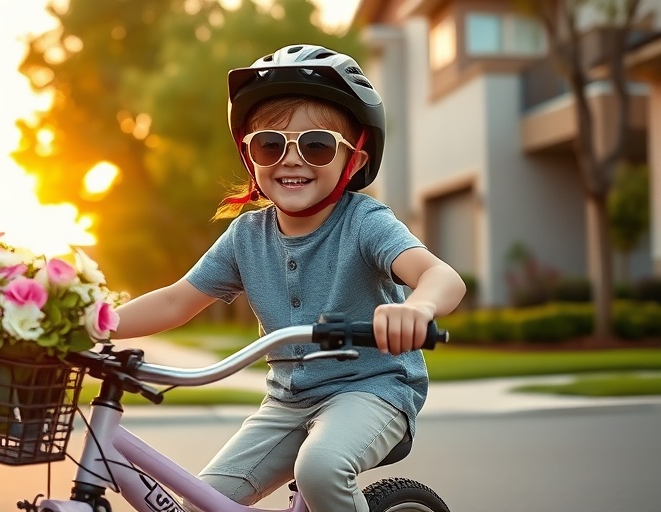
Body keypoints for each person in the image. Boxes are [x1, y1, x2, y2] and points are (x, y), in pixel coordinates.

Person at [111, 44, 466, 512]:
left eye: (316, 145)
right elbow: (176, 301)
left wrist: (417, 307)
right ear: (249, 156)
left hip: (371, 391)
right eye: (270, 144)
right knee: (200, 503)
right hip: (287, 404)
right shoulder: (246, 235)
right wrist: (92, 323)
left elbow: (441, 276)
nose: (291, 159)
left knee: (320, 469)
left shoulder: (364, 222)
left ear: (354, 160)